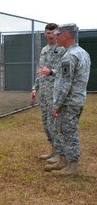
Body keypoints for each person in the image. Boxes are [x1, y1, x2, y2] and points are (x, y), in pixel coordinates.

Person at [46, 24, 90, 175]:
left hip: (68, 102)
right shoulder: (82, 52)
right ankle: (63, 161)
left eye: (58, 35)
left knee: (68, 133)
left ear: (65, 35)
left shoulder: (70, 56)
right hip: (76, 100)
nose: (55, 38)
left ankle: (72, 166)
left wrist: (56, 105)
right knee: (63, 131)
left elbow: (65, 84)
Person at [31, 23, 64, 162]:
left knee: (54, 124)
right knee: (46, 124)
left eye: (52, 33)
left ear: (57, 34)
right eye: (47, 33)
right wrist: (35, 88)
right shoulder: (44, 50)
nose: (50, 36)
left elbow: (64, 73)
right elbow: (40, 71)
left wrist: (51, 71)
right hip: (44, 93)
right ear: (45, 34)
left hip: (55, 93)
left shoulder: (62, 49)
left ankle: (60, 153)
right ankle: (53, 149)